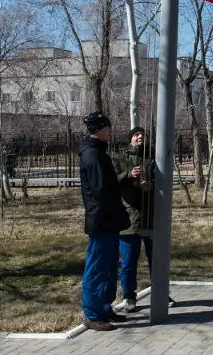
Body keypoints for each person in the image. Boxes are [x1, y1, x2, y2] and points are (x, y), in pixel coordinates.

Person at [112, 126, 175, 312]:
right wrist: (129, 174)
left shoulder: (152, 157)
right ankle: (129, 297)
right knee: (129, 262)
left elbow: (161, 179)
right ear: (130, 138)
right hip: (129, 218)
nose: (140, 137)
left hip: (150, 216)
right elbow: (113, 181)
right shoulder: (120, 158)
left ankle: (161, 293)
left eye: (142, 135)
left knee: (155, 259)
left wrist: (151, 185)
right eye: (136, 135)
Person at [79, 111, 130, 331]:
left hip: (108, 220)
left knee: (109, 266)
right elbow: (102, 193)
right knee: (98, 267)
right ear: (99, 129)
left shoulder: (98, 153)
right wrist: (118, 214)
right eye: (107, 127)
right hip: (102, 221)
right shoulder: (93, 155)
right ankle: (92, 313)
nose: (110, 131)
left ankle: (104, 308)